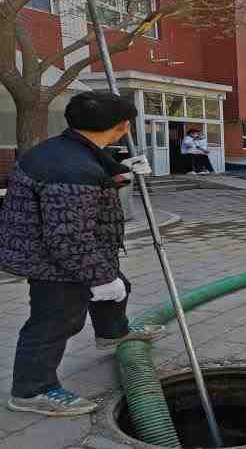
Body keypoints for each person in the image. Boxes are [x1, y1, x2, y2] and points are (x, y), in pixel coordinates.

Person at [0, 92, 164, 417]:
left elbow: (96, 175)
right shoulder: (71, 170)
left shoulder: (67, 148)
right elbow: (68, 239)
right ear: (120, 127)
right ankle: (32, 391)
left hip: (66, 250)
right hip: (53, 262)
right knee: (55, 321)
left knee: (119, 288)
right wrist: (100, 278)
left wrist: (121, 172)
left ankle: (112, 333)